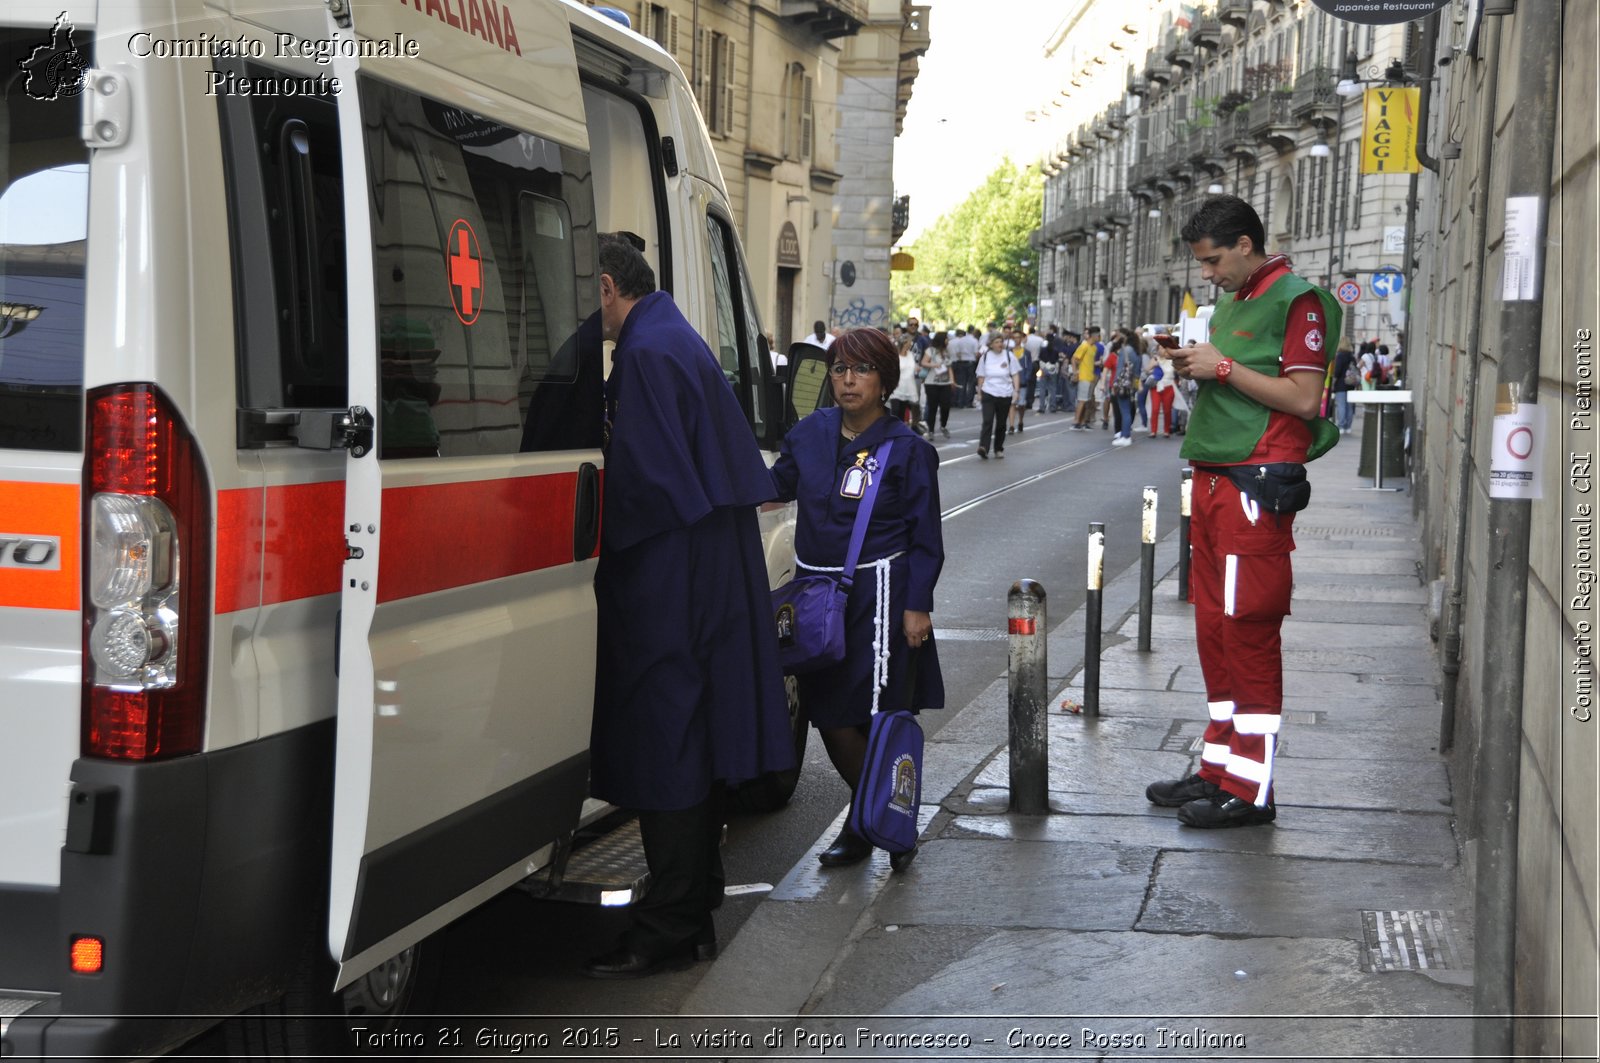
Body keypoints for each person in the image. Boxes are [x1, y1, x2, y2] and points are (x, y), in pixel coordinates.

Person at [585, 233, 794, 976]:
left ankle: (668, 924)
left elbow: (643, 487)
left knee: (666, 735)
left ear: (609, 285)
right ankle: (695, 906)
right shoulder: (673, 332)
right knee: (695, 735)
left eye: (588, 294)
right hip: (709, 559)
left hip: (672, 569)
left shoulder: (643, 353)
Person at [1147, 195, 1341, 829]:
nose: (1207, 274)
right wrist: (1191, 365)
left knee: (1248, 629)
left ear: (1245, 245)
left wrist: (1222, 367)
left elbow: (1305, 399)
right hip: (1214, 477)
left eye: (1212, 261)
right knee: (1214, 630)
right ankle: (1219, 767)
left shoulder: (1299, 300)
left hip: (1254, 483)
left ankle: (1252, 790)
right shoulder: (1232, 302)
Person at [769, 328, 945, 871]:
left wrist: (917, 605)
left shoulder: (908, 450)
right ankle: (883, 814)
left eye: (861, 370)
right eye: (840, 368)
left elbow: (925, 537)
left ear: (885, 381)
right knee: (827, 714)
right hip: (817, 598)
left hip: (881, 596)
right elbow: (775, 484)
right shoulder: (810, 432)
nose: (847, 380)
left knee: (867, 714)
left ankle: (875, 821)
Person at [974, 331, 1021, 459]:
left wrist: (1016, 391)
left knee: (1001, 423)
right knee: (987, 420)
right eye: (997, 342)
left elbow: (1015, 374)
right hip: (989, 391)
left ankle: (998, 448)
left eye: (1001, 342)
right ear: (991, 344)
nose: (1000, 344)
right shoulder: (985, 357)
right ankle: (983, 446)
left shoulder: (1009, 355)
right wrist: (979, 392)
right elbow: (981, 376)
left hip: (1005, 393)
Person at [920, 330, 954, 438]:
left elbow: (949, 367)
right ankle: (931, 430)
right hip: (931, 382)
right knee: (933, 406)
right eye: (946, 338)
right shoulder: (930, 350)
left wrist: (952, 380)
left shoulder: (947, 352)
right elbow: (923, 362)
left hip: (945, 383)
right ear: (942, 339)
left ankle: (943, 425)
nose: (948, 340)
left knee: (946, 405)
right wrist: (934, 365)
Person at [1070, 327, 1101, 430]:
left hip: (1090, 376)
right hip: (1083, 377)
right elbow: (1074, 359)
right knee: (1082, 400)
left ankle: (1082, 421)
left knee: (1086, 400)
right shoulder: (1084, 346)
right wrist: (1075, 372)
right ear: (1093, 336)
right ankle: (1076, 421)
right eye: (1097, 335)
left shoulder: (1094, 348)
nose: (1099, 337)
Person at [889, 333, 921, 429]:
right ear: (904, 343)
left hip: (909, 386)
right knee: (896, 410)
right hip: (898, 386)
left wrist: (916, 368)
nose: (910, 344)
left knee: (906, 409)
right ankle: (893, 428)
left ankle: (906, 428)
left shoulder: (911, 355)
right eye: (909, 342)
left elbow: (912, 366)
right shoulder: (896, 356)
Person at [1147, 336, 1177, 438]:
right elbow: (1147, 370)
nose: (1162, 350)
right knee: (1155, 409)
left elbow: (1176, 373)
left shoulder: (1172, 360)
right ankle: (1153, 431)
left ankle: (1166, 430)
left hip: (1168, 386)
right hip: (1156, 386)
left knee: (1167, 410)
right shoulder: (1155, 359)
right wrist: (1153, 366)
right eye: (1160, 348)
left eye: (1164, 348)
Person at [1331, 336, 1357, 432]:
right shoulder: (1352, 357)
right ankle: (1348, 426)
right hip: (1351, 384)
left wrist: (1334, 380)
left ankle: (1341, 425)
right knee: (1349, 406)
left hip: (1341, 384)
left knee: (1341, 405)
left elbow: (1337, 371)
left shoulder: (1340, 356)